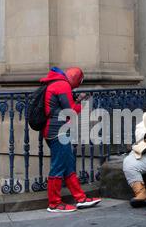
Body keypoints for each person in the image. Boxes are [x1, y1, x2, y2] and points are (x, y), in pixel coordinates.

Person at [41, 67, 102, 213]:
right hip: (57, 132)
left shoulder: (57, 83)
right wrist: (82, 105)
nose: (78, 86)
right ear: (76, 79)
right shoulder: (63, 85)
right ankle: (54, 203)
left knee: (68, 165)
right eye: (79, 82)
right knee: (58, 167)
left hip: (55, 130)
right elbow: (71, 111)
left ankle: (80, 198)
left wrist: (76, 101)